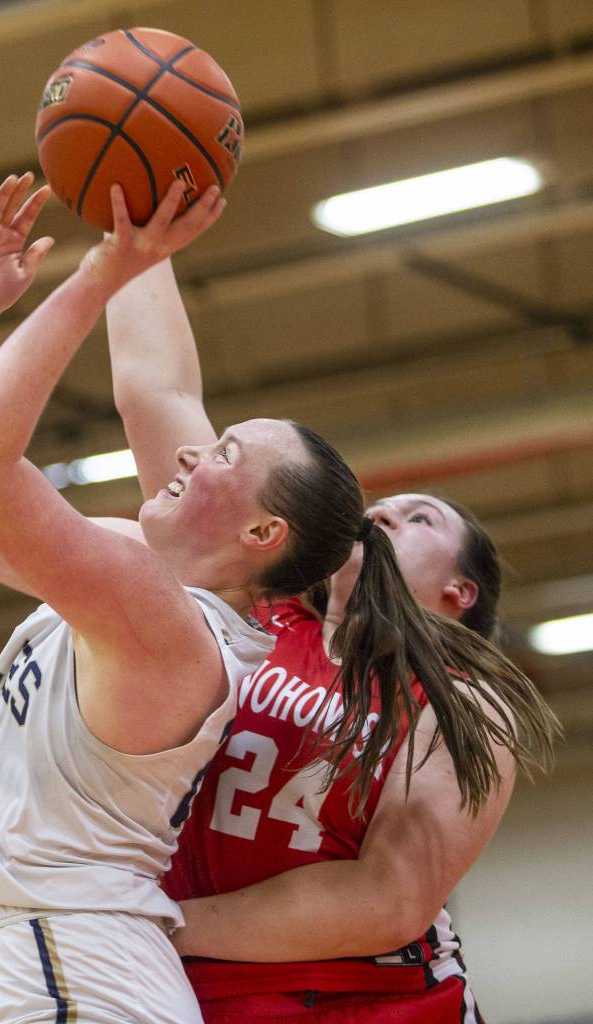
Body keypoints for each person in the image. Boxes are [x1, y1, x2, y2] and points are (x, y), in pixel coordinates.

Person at [0, 173, 469, 1024]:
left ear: (262, 536)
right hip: (50, 946)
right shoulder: (129, 568)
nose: (194, 457)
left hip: (73, 950)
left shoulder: (160, 617)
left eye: (225, 455)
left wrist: (97, 274)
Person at [105, 258, 561, 1022]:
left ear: (459, 594)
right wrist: (134, 247)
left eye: (420, 519)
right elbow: (161, 395)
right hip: (188, 991)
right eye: (381, 507)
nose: (385, 515)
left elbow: (385, 899)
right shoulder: (253, 602)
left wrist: (153, 921)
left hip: (362, 1001)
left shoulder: (461, 701)